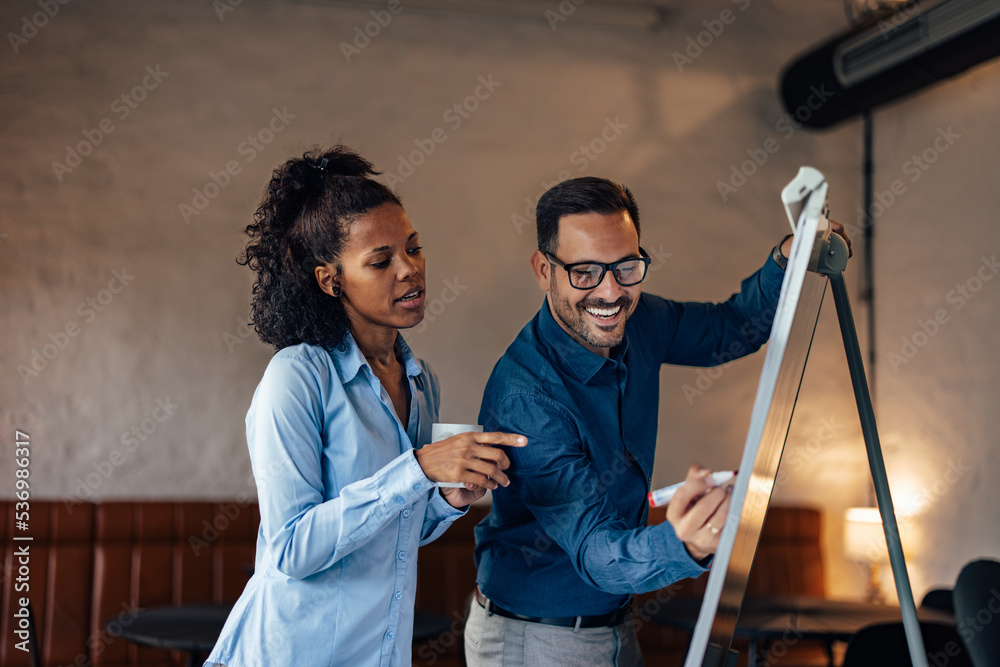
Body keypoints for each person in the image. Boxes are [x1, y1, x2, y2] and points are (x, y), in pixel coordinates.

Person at [465, 176, 850, 666]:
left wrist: (787, 258)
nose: (610, 292)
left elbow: (731, 329)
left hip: (616, 623)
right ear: (544, 270)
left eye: (626, 267)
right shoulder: (526, 396)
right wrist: (681, 542)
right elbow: (595, 551)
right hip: (534, 640)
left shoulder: (640, 319)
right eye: (584, 271)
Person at [204, 146, 526, 667]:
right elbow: (291, 550)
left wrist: (450, 496)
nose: (409, 270)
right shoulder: (299, 375)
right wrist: (418, 467)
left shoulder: (421, 381)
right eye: (380, 261)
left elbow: (401, 528)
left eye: (414, 249)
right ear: (331, 281)